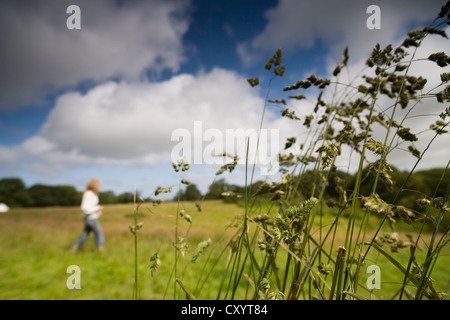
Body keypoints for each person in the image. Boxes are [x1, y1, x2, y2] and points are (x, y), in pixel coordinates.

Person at [71, 178, 105, 252]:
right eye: (98, 185)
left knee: (85, 234)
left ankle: (74, 248)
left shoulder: (92, 194)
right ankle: (101, 249)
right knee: (99, 233)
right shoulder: (88, 194)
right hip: (91, 218)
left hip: (91, 217)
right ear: (93, 185)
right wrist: (97, 208)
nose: (99, 187)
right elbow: (84, 207)